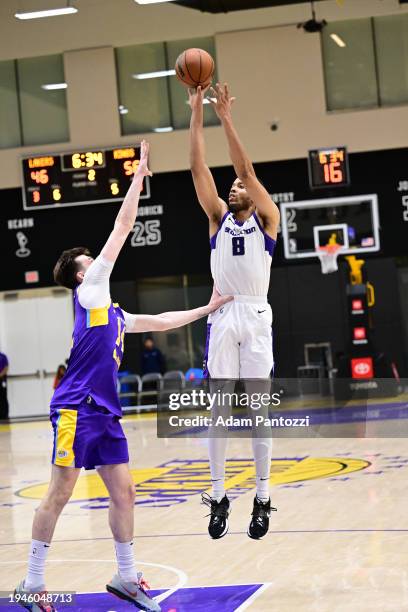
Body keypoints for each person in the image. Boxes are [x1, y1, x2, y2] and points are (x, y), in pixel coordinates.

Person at [15, 140, 231, 612]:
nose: (98, 262)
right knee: (61, 491)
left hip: (105, 412)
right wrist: (137, 177)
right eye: (90, 261)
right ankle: (32, 583)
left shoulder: (109, 310)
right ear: (79, 275)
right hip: (75, 406)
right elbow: (124, 225)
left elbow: (160, 320)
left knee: (125, 491)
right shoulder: (90, 291)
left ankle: (126, 575)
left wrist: (209, 307)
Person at [189, 84, 280, 540]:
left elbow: (244, 167)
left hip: (255, 314)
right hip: (223, 314)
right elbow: (197, 167)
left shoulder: (267, 219)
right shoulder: (217, 218)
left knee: (259, 412)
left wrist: (224, 117)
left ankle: (262, 498)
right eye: (233, 185)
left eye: (242, 183)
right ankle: (220, 494)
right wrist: (194, 113)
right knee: (219, 412)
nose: (235, 183)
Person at [0, 350, 9, 420]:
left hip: (2, 379)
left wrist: (1, 375)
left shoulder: (3, 356)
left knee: (3, 397)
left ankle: (4, 415)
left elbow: (6, 367)